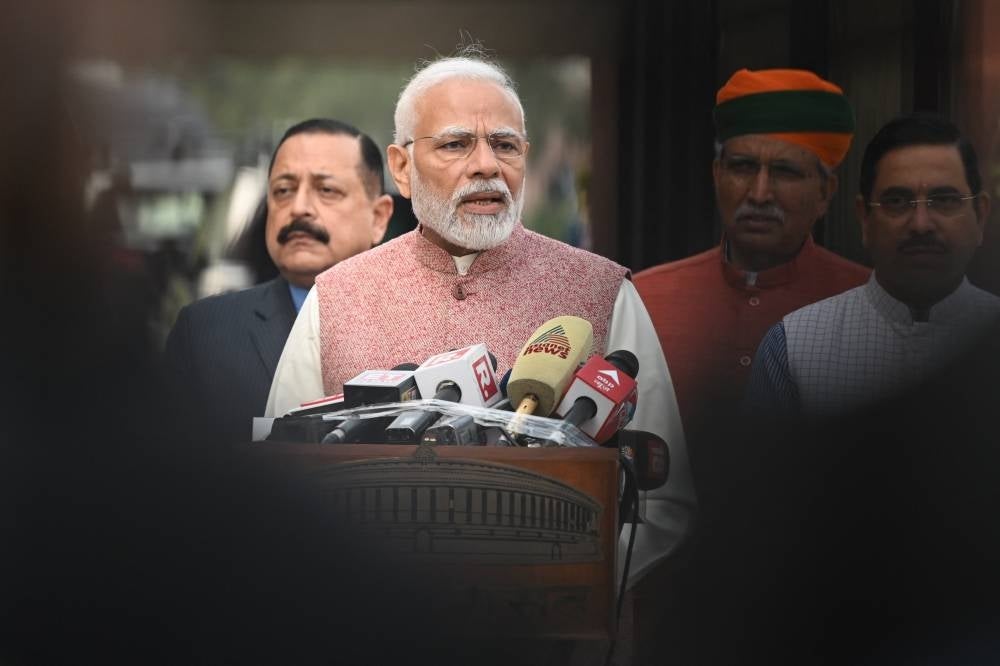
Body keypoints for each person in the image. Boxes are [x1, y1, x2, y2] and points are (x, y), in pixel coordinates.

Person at [265, 50, 694, 586]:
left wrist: (553, 585)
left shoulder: (603, 291)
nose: (487, 164)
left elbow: (662, 503)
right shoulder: (337, 296)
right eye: (456, 144)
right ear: (401, 167)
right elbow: (277, 485)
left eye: (505, 145)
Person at [632, 69, 870, 497]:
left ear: (826, 193)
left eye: (785, 172)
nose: (760, 193)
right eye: (743, 167)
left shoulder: (872, 306)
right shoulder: (645, 300)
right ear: (716, 174)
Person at [746, 113, 1000, 417]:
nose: (921, 225)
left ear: (980, 215)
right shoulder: (792, 348)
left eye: (944, 200)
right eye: (897, 201)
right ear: (864, 218)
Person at [164, 118, 393, 444]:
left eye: (326, 190)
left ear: (379, 217)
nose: (299, 208)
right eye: (283, 191)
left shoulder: (417, 322)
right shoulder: (205, 332)